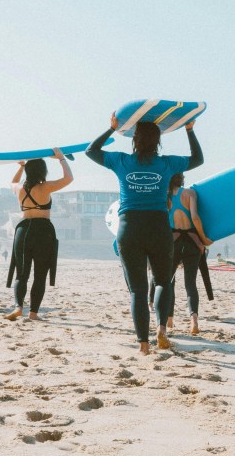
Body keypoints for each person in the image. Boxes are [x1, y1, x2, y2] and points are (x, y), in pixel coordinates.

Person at [86, 114, 203, 355]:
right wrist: (189, 130)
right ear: (158, 141)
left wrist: (111, 128)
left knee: (138, 290)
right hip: (158, 226)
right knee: (162, 281)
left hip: (129, 227)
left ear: (134, 139)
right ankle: (161, 329)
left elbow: (91, 151)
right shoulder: (167, 164)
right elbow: (198, 159)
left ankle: (143, 345)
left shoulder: (121, 161)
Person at [4, 149, 72, 321]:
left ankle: (18, 307)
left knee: (22, 273)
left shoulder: (19, 188)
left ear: (28, 171)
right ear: (43, 171)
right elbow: (68, 178)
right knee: (40, 274)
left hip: (23, 230)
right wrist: (61, 159)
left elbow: (12, 182)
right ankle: (33, 313)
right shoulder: (46, 187)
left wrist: (21, 167)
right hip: (43, 231)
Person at [167, 173, 212, 334]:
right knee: (190, 284)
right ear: (182, 179)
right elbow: (195, 217)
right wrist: (203, 238)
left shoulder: (165, 197)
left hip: (173, 243)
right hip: (192, 242)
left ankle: (169, 320)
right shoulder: (190, 193)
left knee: (168, 281)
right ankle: (194, 322)